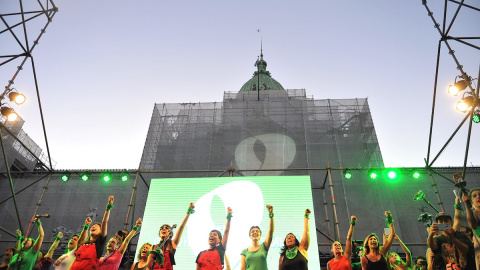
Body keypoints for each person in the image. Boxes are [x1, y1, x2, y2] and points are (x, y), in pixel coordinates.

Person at [69, 195, 114, 270]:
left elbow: (104, 222)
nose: (93, 226)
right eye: (93, 226)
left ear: (101, 232)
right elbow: (80, 240)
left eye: (97, 226)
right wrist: (86, 226)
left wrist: (108, 207)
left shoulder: (99, 243)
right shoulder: (83, 243)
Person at [149, 202, 195, 270]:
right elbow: (148, 266)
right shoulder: (153, 247)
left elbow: (181, 227)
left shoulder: (173, 244)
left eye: (167, 228)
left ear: (170, 233)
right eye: (161, 228)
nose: (163, 229)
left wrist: (188, 212)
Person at [240, 204, 274, 270]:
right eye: (252, 231)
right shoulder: (244, 252)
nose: (255, 232)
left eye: (257, 231)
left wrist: (271, 214)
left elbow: (271, 231)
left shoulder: (264, 247)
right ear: (249, 235)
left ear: (260, 235)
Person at [462, 188, 480, 268]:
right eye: (474, 196)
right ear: (472, 202)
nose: (478, 197)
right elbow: (472, 224)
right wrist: (466, 204)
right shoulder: (474, 214)